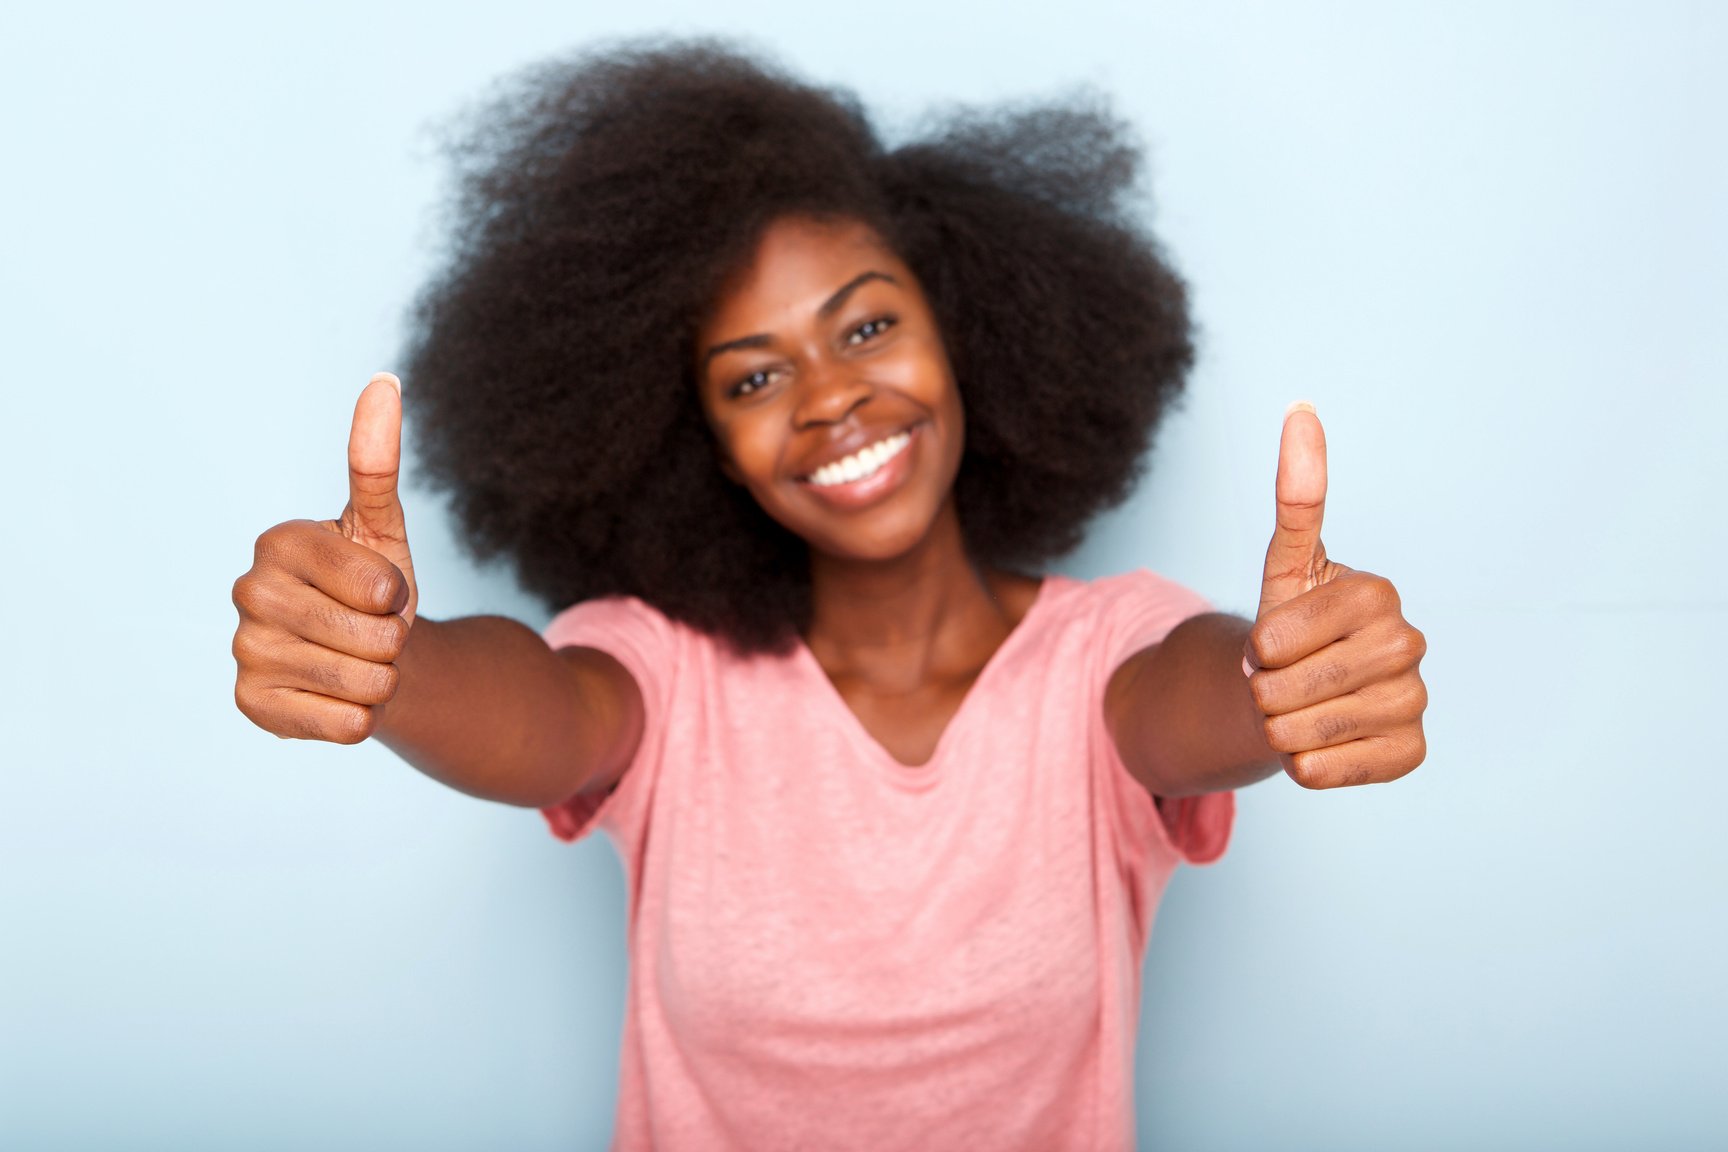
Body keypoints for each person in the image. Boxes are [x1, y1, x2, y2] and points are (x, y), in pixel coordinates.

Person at [230, 39, 1427, 1151]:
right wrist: (388, 664)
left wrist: (1288, 682)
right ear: (694, 438)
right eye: (753, 376)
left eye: (865, 325)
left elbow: (1194, 699)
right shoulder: (668, 675)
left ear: (967, 333)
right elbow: (543, 717)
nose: (827, 397)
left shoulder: (1103, 660)